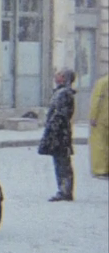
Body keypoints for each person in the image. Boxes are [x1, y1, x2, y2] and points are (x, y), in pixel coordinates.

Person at [39, 69, 76, 201]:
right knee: (60, 161)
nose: (56, 76)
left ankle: (65, 190)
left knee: (62, 162)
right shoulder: (61, 92)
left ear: (64, 78)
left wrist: (52, 130)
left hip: (60, 134)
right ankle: (63, 189)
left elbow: (61, 115)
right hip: (59, 133)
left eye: (60, 74)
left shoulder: (64, 94)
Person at [90, 73, 109, 178]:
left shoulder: (102, 82)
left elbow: (96, 100)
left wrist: (93, 116)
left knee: (99, 144)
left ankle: (100, 170)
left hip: (101, 118)